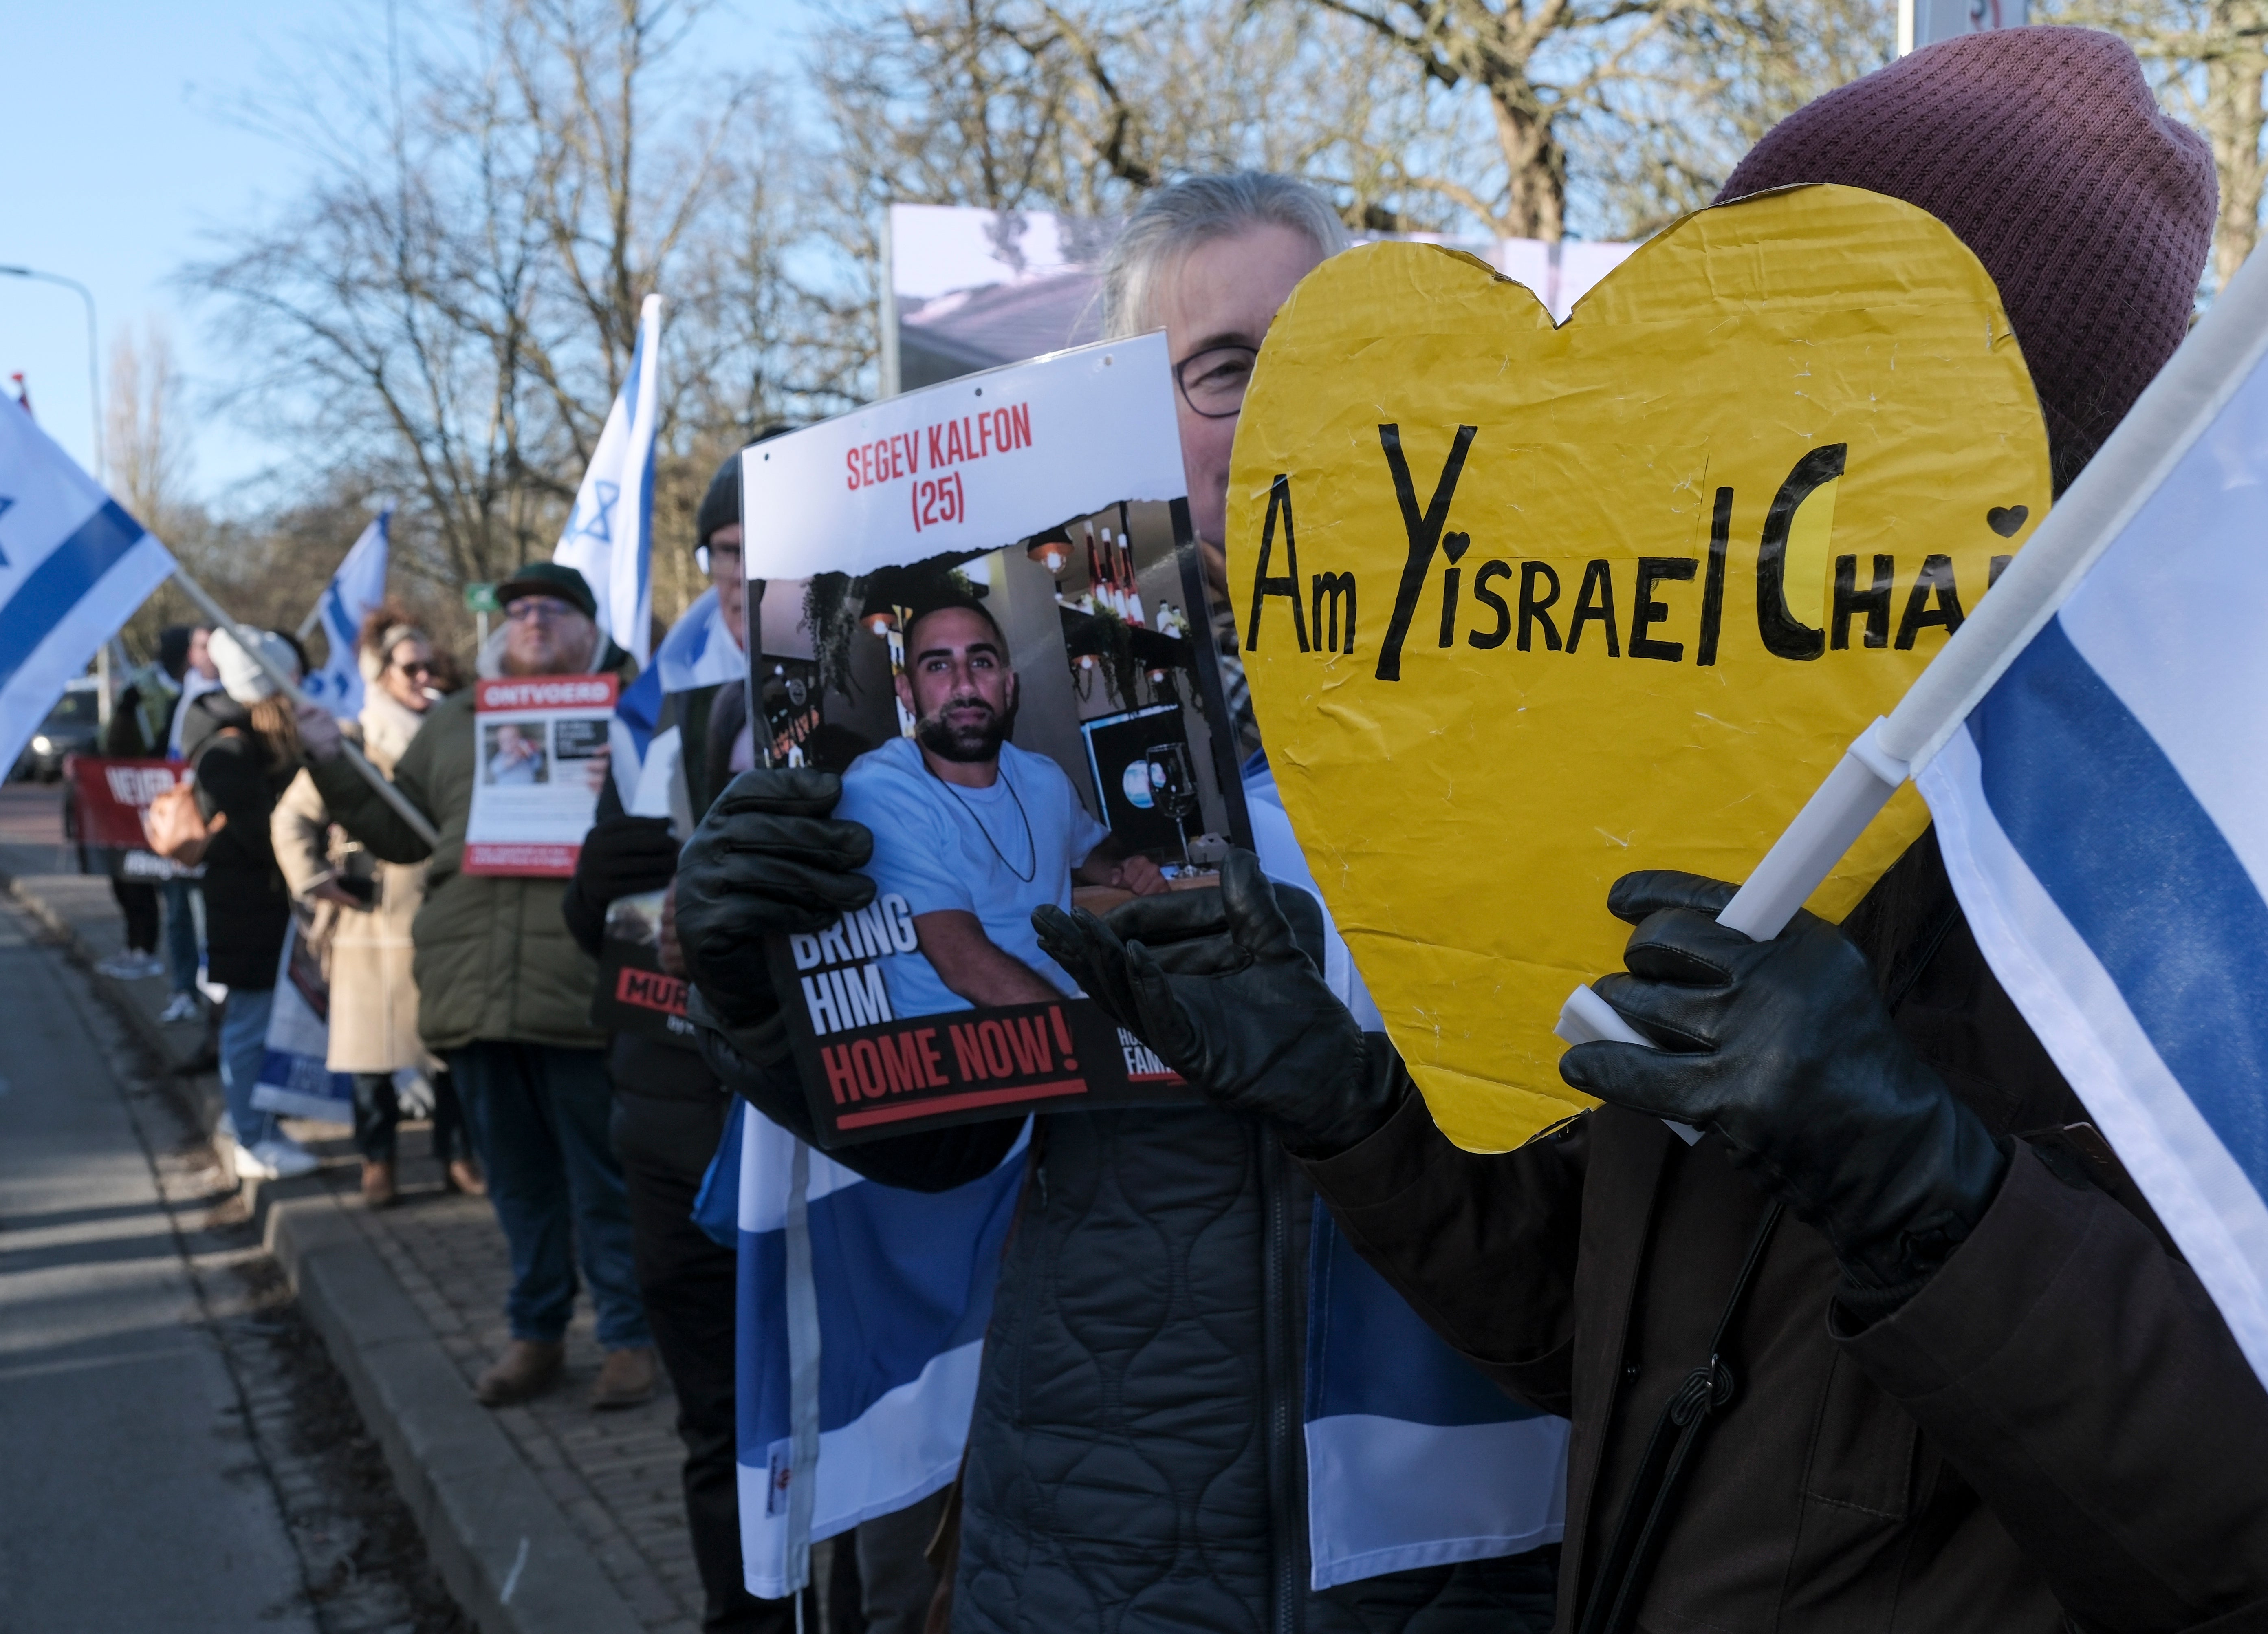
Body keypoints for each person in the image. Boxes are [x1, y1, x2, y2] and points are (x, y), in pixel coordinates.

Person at [1033, 31, 2268, 1634]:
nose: (1723, 443)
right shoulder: (1722, 809)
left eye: (1836, 371)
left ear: (2038, 460)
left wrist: (1934, 1199)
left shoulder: (2199, 888)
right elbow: (1591, 1326)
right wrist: (1343, 1105)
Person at [680, 176, 1561, 1634]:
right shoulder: (1022, 739)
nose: (1289, 406)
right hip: (1109, 1513)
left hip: (1473, 1539)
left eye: (1325, 355)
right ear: (1121, 436)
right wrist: (752, 992)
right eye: (1224, 370)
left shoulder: (1532, 698)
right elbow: (938, 1119)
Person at [297, 561, 659, 1412]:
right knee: (518, 1185)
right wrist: (328, 757)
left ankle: (627, 1338)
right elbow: (396, 829)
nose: (531, 620)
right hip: (474, 989)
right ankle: (534, 1334)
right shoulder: (456, 721)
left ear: (588, 628)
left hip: (581, 986)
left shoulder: (631, 712)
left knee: (604, 1180)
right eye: (518, 608)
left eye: (552, 608)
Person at [563, 448, 801, 1633]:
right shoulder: (648, 703)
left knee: (820, 1408)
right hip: (669, 1109)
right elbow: (602, 922)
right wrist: (589, 901)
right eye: (724, 550)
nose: (742, 575)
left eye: (769, 551)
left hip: (808, 1116)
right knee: (714, 1420)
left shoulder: (866, 695)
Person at [841, 598, 1169, 1017]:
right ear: (907, 692)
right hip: (958, 1052)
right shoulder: (878, 790)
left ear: (1008, 686)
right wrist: (1094, 1048)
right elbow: (968, 965)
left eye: (981, 661)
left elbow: (1091, 848)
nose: (964, 685)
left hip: (1069, 1021)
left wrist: (1121, 869)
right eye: (938, 666)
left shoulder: (1044, 778)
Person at [272, 610, 483, 1208]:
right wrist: (317, 880)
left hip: (446, 925)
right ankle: (378, 1162)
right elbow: (291, 817)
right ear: (382, 673)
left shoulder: (458, 733)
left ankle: (458, 1157)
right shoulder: (355, 740)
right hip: (372, 930)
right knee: (372, 1058)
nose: (423, 676)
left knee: (452, 1056)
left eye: (430, 665)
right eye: (409, 667)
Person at [187, 625, 322, 1182]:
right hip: (247, 906)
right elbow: (262, 834)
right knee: (250, 1020)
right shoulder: (229, 750)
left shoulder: (243, 743)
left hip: (256, 904)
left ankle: (253, 1121)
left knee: (259, 1018)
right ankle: (250, 1135)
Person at [94, 631, 189, 981]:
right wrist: (125, 712)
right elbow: (113, 744)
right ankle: (135, 948)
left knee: (158, 884)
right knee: (126, 878)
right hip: (132, 799)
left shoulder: (189, 694)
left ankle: (150, 952)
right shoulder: (142, 685)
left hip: (173, 807)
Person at [160, 624, 219, 1023]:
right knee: (178, 912)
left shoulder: (230, 700)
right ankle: (184, 990)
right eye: (200, 646)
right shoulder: (179, 699)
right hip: (180, 825)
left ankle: (211, 998)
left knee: (205, 919)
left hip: (213, 828)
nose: (205, 654)